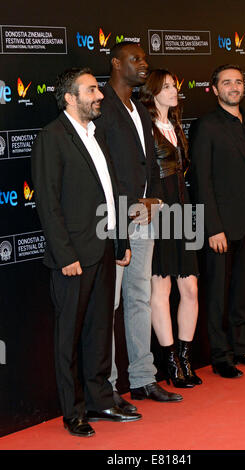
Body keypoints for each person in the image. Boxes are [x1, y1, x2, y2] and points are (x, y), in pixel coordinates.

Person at [31, 67, 141, 437]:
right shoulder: (52, 137)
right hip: (74, 256)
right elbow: (48, 202)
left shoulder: (97, 134)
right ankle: (72, 411)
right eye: (92, 90)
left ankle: (100, 401)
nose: (100, 96)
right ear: (70, 98)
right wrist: (66, 256)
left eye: (98, 89)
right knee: (69, 338)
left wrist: (120, 241)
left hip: (104, 247)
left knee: (99, 331)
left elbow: (112, 194)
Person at [96, 41, 182, 411]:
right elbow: (101, 166)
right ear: (116, 63)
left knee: (140, 299)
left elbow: (150, 164)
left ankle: (144, 379)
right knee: (110, 303)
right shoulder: (101, 105)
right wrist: (129, 205)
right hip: (114, 218)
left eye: (144, 58)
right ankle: (108, 387)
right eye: (136, 59)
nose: (143, 64)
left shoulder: (140, 109)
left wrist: (156, 201)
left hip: (145, 216)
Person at [189, 64, 245, 379]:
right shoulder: (206, 126)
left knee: (242, 289)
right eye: (227, 82)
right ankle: (220, 356)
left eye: (239, 81)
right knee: (218, 292)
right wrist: (213, 227)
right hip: (222, 226)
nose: (234, 87)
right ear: (214, 89)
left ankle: (242, 348)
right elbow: (201, 180)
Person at [139, 69, 201, 388]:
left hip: (184, 207)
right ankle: (171, 361)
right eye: (166, 87)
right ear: (152, 93)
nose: (174, 91)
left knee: (190, 288)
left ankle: (186, 356)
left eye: (174, 86)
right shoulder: (146, 128)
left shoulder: (177, 125)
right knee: (160, 290)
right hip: (159, 210)